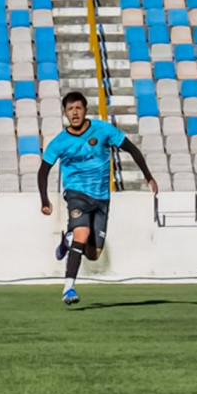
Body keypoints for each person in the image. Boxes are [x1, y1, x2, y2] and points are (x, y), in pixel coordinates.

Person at [38, 91, 158, 306]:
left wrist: (148, 177)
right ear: (65, 113)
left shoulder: (103, 130)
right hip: (76, 194)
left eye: (78, 108)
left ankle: (68, 241)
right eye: (70, 109)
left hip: (102, 198)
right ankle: (68, 288)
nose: (75, 113)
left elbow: (131, 148)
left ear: (85, 110)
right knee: (82, 233)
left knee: (94, 254)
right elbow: (43, 171)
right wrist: (44, 200)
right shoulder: (60, 142)